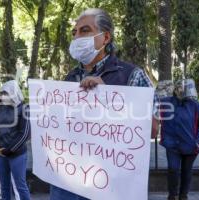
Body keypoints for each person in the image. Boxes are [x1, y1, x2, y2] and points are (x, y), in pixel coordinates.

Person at [50, 8, 157, 200]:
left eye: (84, 31)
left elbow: (152, 130)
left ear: (105, 37)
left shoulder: (132, 75)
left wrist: (109, 95)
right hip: (69, 181)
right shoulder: (69, 78)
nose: (76, 37)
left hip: (111, 185)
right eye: (74, 32)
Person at [159, 79, 199, 200]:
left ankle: (183, 196)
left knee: (187, 172)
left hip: (191, 145)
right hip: (172, 144)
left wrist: (198, 141)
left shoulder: (195, 106)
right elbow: (150, 104)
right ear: (176, 90)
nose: (185, 91)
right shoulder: (165, 103)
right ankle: (172, 195)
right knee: (173, 169)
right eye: (182, 88)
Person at [0, 80, 30, 200]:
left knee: (20, 186)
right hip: (0, 154)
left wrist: (9, 150)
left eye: (5, 93)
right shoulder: (1, 108)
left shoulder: (23, 109)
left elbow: (24, 133)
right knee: (4, 186)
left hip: (17, 154)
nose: (2, 96)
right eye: (1, 93)